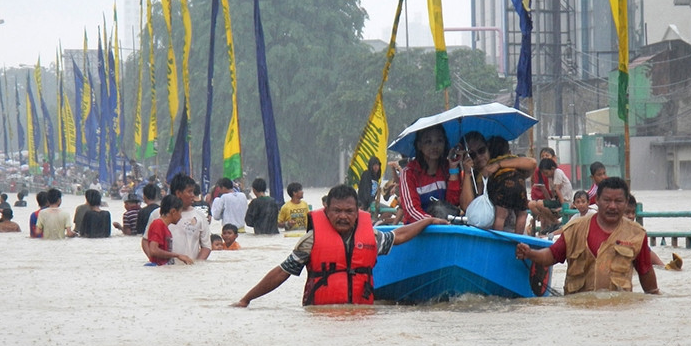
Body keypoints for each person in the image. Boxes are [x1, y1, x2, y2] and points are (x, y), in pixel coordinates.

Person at [233, 184, 448, 307]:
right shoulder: (311, 241)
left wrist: (427, 221)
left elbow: (399, 235)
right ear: (326, 210)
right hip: (321, 321)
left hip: (360, 319)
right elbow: (282, 272)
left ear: (358, 212)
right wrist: (246, 299)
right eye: (337, 211)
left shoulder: (371, 237)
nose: (343, 216)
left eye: (349, 211)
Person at [515, 177, 660, 295]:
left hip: (619, 315)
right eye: (607, 200)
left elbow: (647, 276)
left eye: (618, 201)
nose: (612, 206)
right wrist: (530, 253)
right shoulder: (575, 229)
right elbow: (552, 255)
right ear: (596, 200)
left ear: (626, 203)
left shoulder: (636, 234)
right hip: (578, 315)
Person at [141, 173, 211, 264]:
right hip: (164, 271)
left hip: (189, 271)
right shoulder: (157, 214)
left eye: (193, 192)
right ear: (178, 193)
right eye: (189, 192)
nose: (193, 195)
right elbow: (146, 241)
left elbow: (206, 247)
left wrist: (195, 265)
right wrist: (156, 262)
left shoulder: (200, 216)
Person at [399, 124, 462, 223]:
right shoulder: (408, 173)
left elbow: (452, 204)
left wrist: (453, 168)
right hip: (417, 232)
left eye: (439, 141)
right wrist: (432, 221)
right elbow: (411, 211)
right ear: (419, 145)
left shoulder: (447, 168)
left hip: (445, 228)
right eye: (428, 141)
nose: (434, 146)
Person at [482, 136, 536, 234]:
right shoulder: (513, 160)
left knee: (501, 215)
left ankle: (498, 238)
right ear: (508, 151)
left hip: (503, 188)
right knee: (522, 214)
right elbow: (530, 163)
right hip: (520, 186)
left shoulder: (490, 165)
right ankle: (518, 238)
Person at [145, 195, 194, 266]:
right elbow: (153, 250)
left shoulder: (164, 227)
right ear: (173, 211)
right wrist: (177, 255)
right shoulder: (158, 224)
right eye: (180, 213)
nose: (180, 216)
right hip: (158, 268)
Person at [527, 157, 566, 235]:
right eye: (543, 174)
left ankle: (554, 223)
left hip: (564, 201)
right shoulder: (550, 177)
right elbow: (553, 193)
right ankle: (553, 222)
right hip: (555, 200)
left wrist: (563, 206)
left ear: (552, 168)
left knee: (540, 204)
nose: (545, 175)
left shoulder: (557, 172)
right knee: (531, 204)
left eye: (546, 173)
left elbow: (557, 190)